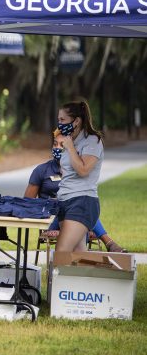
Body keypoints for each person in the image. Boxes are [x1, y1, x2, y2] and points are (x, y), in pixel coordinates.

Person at [25, 138, 126, 253]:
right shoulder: (41, 170)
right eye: (55, 144)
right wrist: (49, 203)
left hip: (73, 212)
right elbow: (27, 202)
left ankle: (81, 259)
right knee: (78, 210)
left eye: (62, 145)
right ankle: (108, 242)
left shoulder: (76, 171)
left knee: (81, 207)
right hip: (52, 217)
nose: (57, 148)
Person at [53, 100, 104, 253]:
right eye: (58, 120)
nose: (59, 124)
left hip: (82, 201)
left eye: (62, 120)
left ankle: (54, 277)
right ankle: (88, 277)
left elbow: (83, 170)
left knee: (61, 252)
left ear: (76, 121)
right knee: (77, 255)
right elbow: (65, 171)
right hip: (64, 201)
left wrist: (70, 147)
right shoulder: (69, 140)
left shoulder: (93, 140)